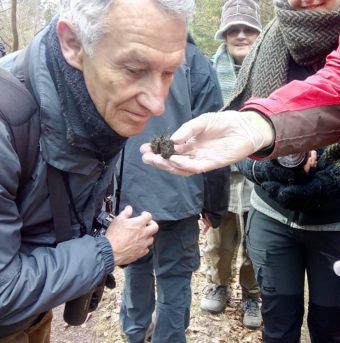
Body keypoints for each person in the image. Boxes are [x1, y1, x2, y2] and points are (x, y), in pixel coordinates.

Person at [140, 0, 340, 342]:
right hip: (295, 220)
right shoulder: (284, 39)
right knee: (278, 324)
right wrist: (261, 125)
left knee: (332, 328)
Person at [0, 0, 193, 341]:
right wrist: (106, 250)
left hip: (33, 318)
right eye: (134, 69)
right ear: (73, 43)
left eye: (169, 72)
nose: (157, 103)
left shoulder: (93, 98)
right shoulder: (9, 124)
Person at [227, 0, 340, 341]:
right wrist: (268, 169)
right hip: (272, 217)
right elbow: (239, 136)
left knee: (331, 331)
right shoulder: (266, 43)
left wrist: (332, 173)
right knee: (278, 328)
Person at [118, 33, 229, 343]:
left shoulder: (125, 54)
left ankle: (135, 334)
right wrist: (215, 206)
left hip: (131, 193)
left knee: (137, 267)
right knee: (174, 278)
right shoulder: (195, 61)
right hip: (180, 195)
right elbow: (213, 139)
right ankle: (166, 337)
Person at [199, 0, 262, 330]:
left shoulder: (272, 70)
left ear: (258, 33)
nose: (240, 35)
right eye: (233, 29)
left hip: (260, 173)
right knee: (219, 241)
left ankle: (253, 293)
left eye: (248, 29)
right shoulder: (207, 71)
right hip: (221, 173)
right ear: (223, 35)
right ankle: (218, 284)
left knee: (256, 240)